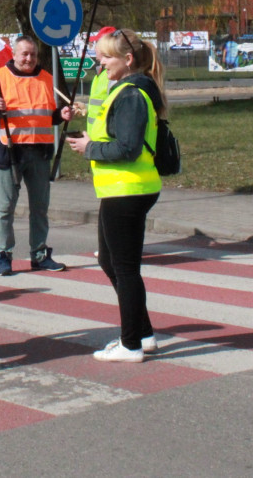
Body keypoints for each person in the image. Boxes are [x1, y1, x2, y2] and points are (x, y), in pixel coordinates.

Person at [68, 28, 164, 363]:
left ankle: (131, 344)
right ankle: (144, 335)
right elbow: (117, 135)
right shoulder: (125, 90)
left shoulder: (131, 94)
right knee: (110, 261)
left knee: (124, 268)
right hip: (121, 187)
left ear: (127, 59)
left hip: (128, 187)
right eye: (99, 57)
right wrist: (90, 139)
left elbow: (127, 146)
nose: (100, 63)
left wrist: (88, 147)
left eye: (106, 57)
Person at [0, 35, 67, 275]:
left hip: (40, 152)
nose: (29, 59)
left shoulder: (47, 78)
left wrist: (62, 115)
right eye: (24, 54)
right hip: (10, 153)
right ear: (14, 55)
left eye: (33, 54)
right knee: (6, 208)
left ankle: (39, 255)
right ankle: (3, 255)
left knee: (40, 208)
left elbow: (49, 114)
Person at [85, 27, 117, 131]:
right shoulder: (99, 73)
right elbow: (101, 106)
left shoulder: (113, 74)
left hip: (105, 141)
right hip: (95, 140)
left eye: (97, 44)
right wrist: (85, 107)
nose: (95, 48)